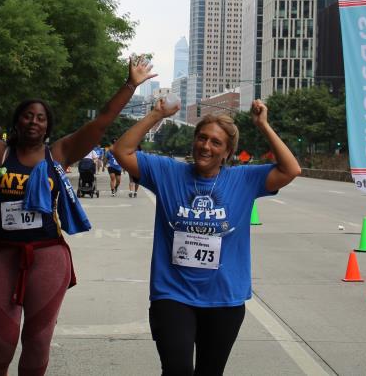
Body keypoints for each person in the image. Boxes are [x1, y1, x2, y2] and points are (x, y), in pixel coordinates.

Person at [0, 46, 156, 376]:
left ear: (47, 126)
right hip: (2, 254)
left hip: (47, 255)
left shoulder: (59, 153)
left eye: (41, 118)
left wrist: (129, 85)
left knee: (38, 341)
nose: (34, 121)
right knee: (0, 340)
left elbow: (100, 123)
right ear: (17, 121)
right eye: (28, 115)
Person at [111, 98, 301, 376]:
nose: (206, 146)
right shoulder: (168, 172)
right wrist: (157, 114)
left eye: (216, 142)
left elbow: (291, 169)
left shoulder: (244, 179)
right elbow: (122, 151)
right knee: (177, 370)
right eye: (202, 138)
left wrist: (263, 125)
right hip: (173, 294)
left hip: (224, 298)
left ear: (227, 152)